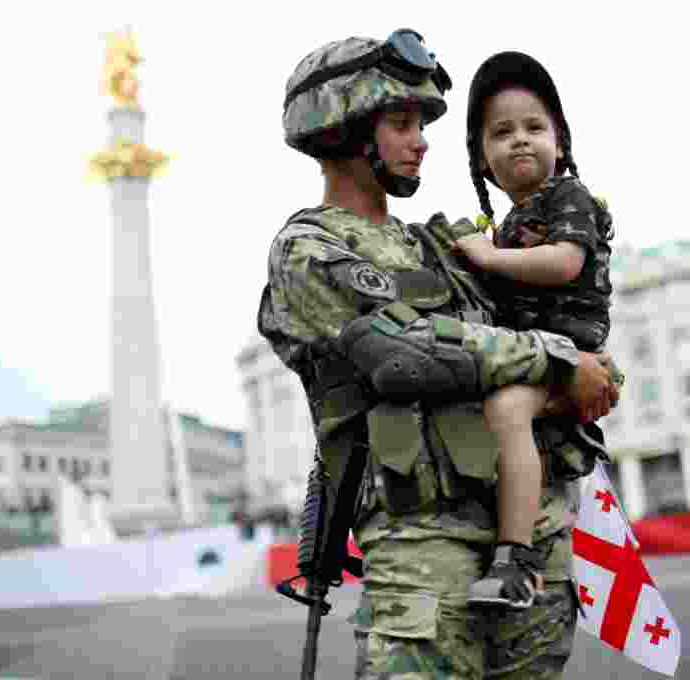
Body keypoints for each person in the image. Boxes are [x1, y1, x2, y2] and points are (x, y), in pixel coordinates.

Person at [260, 30, 619, 679]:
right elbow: (401, 355)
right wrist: (554, 359)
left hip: (527, 546)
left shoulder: (442, 249)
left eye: (420, 122)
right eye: (401, 122)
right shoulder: (308, 251)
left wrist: (584, 366)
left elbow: (563, 333)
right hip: (422, 551)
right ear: (341, 131)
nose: (421, 138)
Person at [438, 51, 621, 610]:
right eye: (502, 132)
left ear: (560, 143)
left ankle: (515, 560)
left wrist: (488, 258)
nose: (520, 140)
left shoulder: (570, 197)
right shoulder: (507, 222)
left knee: (507, 410)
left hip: (570, 350)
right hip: (536, 352)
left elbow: (565, 262)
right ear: (483, 158)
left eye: (534, 127)